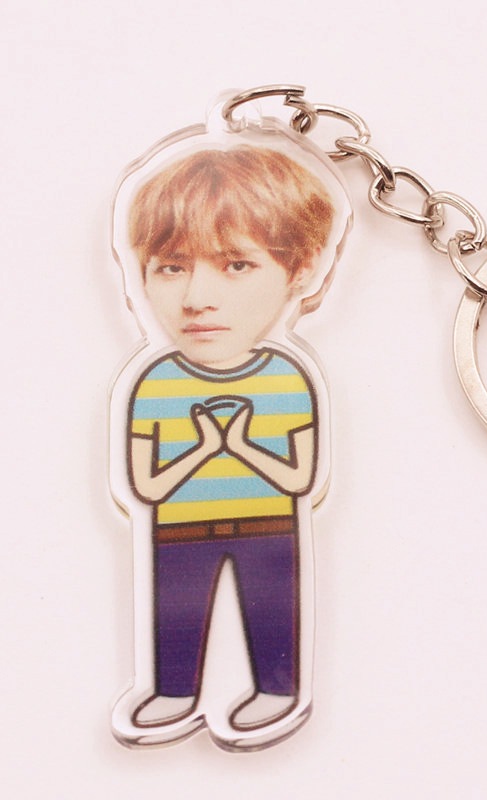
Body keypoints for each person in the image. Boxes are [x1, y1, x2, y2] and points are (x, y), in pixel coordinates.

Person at [111, 138, 348, 748]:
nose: (196, 298)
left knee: (273, 612)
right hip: (177, 532)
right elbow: (147, 487)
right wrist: (206, 448)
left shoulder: (286, 379)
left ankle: (279, 687)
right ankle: (172, 690)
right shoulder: (156, 382)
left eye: (236, 264)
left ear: (301, 270)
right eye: (171, 266)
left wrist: (237, 445)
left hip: (269, 528)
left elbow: (299, 481)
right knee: (176, 614)